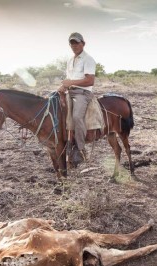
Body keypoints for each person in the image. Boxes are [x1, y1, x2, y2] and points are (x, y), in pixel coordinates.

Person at [58, 32, 96, 166]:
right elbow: (69, 80)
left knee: (77, 117)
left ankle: (80, 148)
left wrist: (71, 83)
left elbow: (90, 81)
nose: (74, 45)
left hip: (83, 93)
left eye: (77, 43)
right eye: (72, 43)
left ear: (83, 44)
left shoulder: (88, 59)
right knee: (54, 107)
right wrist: (64, 86)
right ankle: (63, 141)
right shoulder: (69, 60)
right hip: (70, 91)